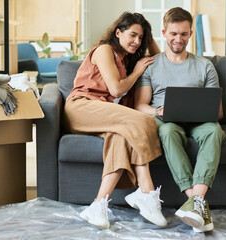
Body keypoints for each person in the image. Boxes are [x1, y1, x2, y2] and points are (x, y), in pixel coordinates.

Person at [63, 12, 167, 230]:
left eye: (141, 38)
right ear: (118, 32)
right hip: (82, 107)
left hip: (104, 113)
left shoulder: (128, 61)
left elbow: (160, 61)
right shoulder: (104, 51)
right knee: (144, 121)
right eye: (133, 35)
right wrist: (138, 71)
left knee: (121, 137)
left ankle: (98, 205)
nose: (137, 42)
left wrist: (148, 37)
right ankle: (146, 191)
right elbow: (116, 89)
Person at [134, 7, 225, 233]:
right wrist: (157, 111)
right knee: (167, 132)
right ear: (164, 33)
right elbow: (140, 105)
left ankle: (195, 203)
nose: (178, 39)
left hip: (200, 121)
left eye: (184, 34)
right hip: (167, 120)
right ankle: (196, 201)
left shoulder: (205, 66)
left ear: (191, 34)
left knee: (215, 130)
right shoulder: (151, 65)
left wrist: (203, 111)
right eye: (174, 34)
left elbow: (219, 112)